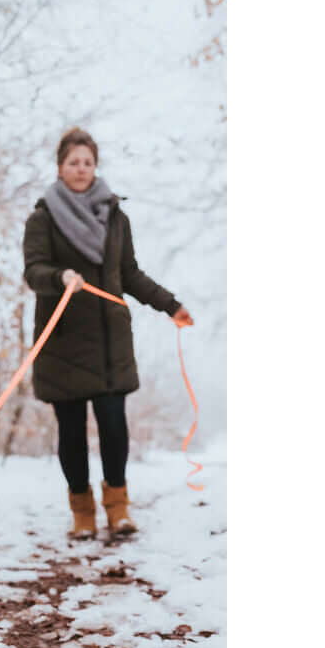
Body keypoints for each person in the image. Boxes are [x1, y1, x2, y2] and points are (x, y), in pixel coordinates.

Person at [22, 126, 193, 538]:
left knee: (115, 427)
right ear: (60, 167)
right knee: (72, 433)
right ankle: (83, 514)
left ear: (95, 166)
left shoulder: (116, 217)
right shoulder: (42, 218)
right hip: (63, 339)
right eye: (73, 162)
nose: (81, 169)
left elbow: (129, 274)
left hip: (110, 342)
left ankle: (118, 509)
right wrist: (59, 275)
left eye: (87, 162)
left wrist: (170, 304)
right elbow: (34, 270)